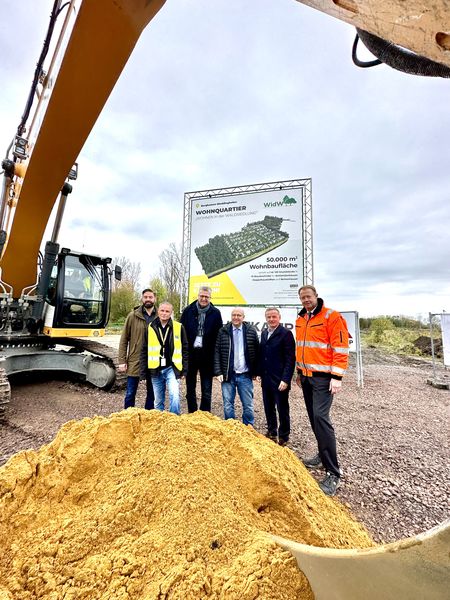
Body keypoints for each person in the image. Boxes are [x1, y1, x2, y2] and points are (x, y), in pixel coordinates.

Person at [295, 285, 349, 496]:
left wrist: (337, 377)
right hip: (307, 378)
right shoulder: (301, 319)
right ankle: (321, 454)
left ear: (316, 296)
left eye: (308, 297)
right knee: (313, 418)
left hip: (324, 379)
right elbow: (302, 347)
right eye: (302, 298)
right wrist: (299, 372)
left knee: (321, 418)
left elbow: (341, 348)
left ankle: (333, 473)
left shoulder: (331, 317)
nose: (306, 300)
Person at [140, 302, 188, 415]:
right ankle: (159, 424)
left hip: (172, 368)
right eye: (162, 310)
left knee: (175, 395)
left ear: (171, 313)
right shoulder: (150, 327)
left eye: (167, 311)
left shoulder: (179, 327)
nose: (164, 313)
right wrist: (143, 373)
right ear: (158, 311)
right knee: (158, 401)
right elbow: (144, 350)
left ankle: (173, 420)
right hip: (155, 369)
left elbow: (185, 349)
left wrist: (184, 370)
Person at [180, 286, 223, 413]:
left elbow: (218, 335)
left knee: (206, 388)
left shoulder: (215, 313)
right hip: (191, 355)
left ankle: (205, 414)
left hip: (207, 356)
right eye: (202, 296)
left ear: (210, 298)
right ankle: (192, 413)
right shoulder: (188, 311)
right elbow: (181, 333)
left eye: (206, 297)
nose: (204, 299)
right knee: (190, 387)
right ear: (198, 296)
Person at [214, 307, 259, 426]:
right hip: (228, 375)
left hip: (245, 375)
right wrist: (218, 371)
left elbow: (256, 351)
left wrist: (255, 371)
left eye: (239, 315)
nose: (236, 317)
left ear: (243, 317)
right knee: (228, 404)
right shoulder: (223, 331)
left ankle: (248, 428)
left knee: (248, 405)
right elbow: (217, 352)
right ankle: (230, 427)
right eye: (234, 315)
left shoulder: (251, 331)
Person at [259, 307, 296, 446]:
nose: (271, 319)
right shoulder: (264, 333)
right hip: (266, 378)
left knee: (282, 408)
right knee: (268, 407)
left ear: (279, 318)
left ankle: (284, 436)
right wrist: (259, 373)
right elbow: (263, 355)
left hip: (280, 380)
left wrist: (286, 379)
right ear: (266, 318)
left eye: (274, 317)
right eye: (268, 317)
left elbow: (290, 359)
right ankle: (272, 431)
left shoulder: (286, 334)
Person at [118, 288, 157, 410]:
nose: (148, 299)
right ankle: (128, 417)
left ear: (154, 299)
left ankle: (148, 418)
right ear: (142, 298)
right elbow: (124, 339)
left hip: (153, 361)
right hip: (135, 360)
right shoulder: (133, 316)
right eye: (145, 297)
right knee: (130, 393)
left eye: (150, 297)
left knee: (152, 394)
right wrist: (122, 361)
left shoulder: (160, 316)